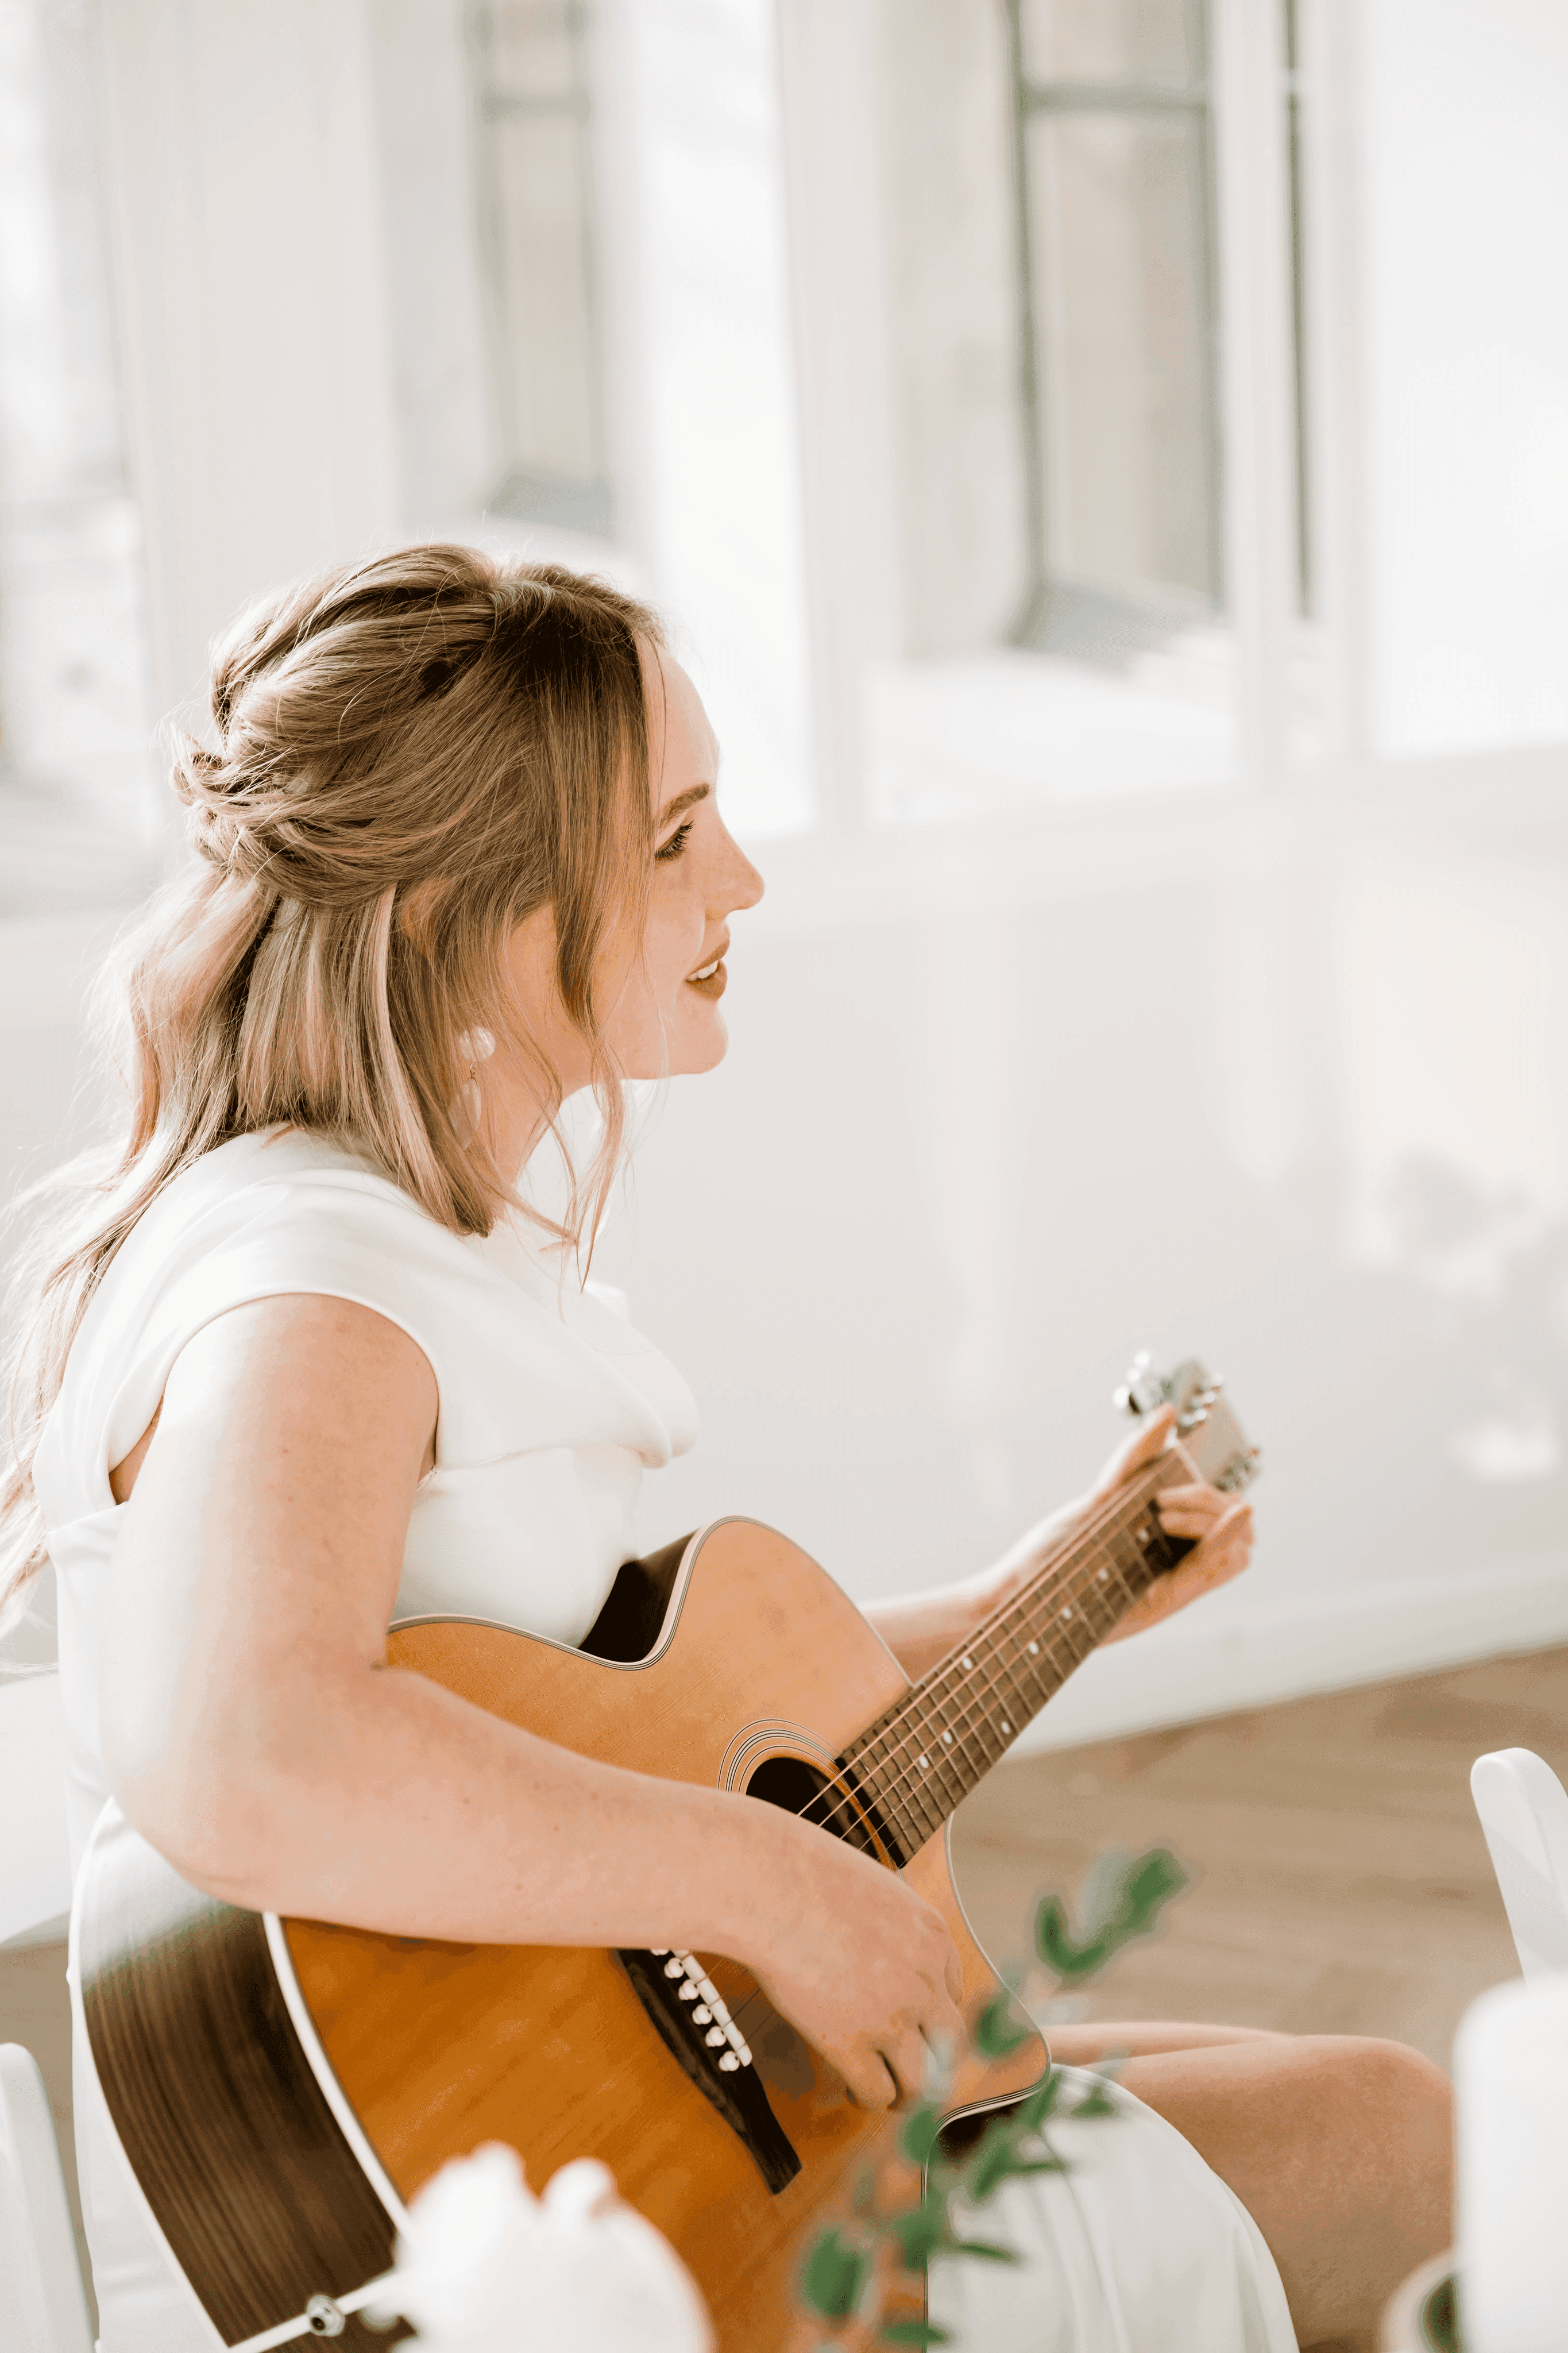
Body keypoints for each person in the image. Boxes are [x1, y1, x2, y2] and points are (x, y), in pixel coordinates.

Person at [0, 547, 1451, 2353]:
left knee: (1310, 2082)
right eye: (676, 835)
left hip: (570, 2127)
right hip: (447, 2256)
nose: (742, 879)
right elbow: (248, 1752)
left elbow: (616, 1720)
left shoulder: (373, 1229)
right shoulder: (311, 1291)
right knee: (1395, 2139)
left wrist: (1023, 1608)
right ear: (466, 916)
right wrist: (771, 1889)